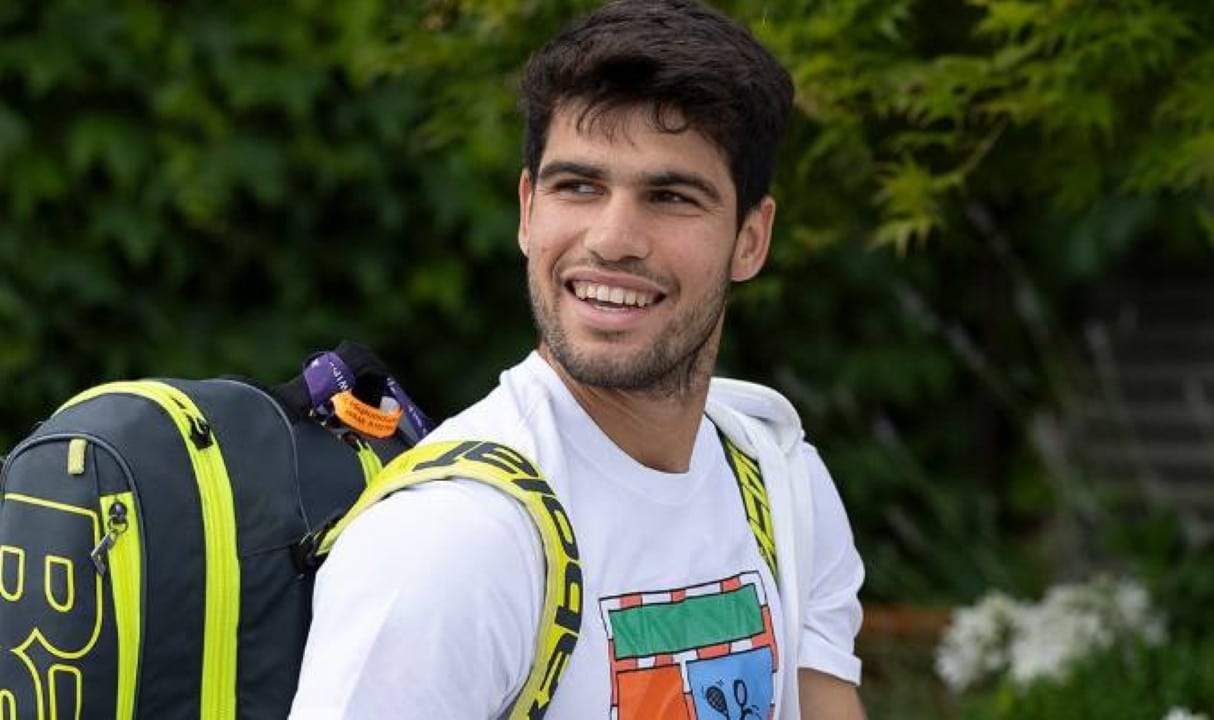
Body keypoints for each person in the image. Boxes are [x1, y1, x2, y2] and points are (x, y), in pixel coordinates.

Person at [289, 1, 866, 717]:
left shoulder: (781, 482)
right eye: (579, 187)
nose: (613, 239)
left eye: (670, 196)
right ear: (528, 210)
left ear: (751, 238)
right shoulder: (451, 538)